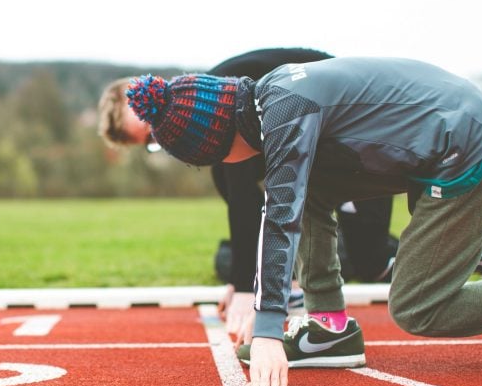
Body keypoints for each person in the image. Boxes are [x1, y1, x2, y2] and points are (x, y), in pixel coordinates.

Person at [125, 57, 482, 386]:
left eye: (215, 160)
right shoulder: (274, 93)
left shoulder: (286, 113)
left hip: (465, 144)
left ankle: (331, 325)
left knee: (418, 307)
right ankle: (328, 327)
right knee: (310, 188)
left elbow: (280, 217)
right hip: (444, 127)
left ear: (220, 143)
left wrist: (268, 329)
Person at [97, 49, 402, 340]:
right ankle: (308, 267)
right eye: (151, 141)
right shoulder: (209, 112)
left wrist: (246, 288)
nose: (160, 138)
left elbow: (248, 198)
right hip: (321, 144)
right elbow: (248, 202)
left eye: (153, 131)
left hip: (362, 129)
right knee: (232, 245)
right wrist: (239, 276)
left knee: (370, 259)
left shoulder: (209, 105)